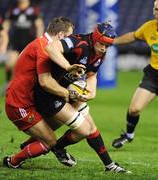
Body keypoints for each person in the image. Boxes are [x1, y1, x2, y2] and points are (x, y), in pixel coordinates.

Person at [19, 22, 131, 173]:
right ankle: (52, 148)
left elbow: (92, 75)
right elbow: (51, 48)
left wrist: (91, 92)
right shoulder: (80, 42)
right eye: (102, 43)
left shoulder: (100, 53)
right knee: (83, 130)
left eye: (107, 46)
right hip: (49, 93)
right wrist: (67, 67)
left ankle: (109, 165)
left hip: (67, 92)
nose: (104, 48)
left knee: (90, 127)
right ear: (95, 38)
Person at [3, 17, 85, 169]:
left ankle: (31, 144)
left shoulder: (42, 43)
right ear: (61, 35)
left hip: (31, 100)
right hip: (19, 103)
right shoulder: (44, 49)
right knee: (50, 141)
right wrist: (66, 93)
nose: (69, 44)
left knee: (58, 119)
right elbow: (45, 82)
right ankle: (12, 161)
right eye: (68, 37)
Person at [112, 0, 158, 149]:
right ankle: (129, 135)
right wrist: (112, 41)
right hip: (153, 75)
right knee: (134, 109)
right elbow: (133, 36)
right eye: (155, 9)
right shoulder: (149, 27)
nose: (155, 12)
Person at [3, 0, 44, 91]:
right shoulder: (13, 9)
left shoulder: (34, 9)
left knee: (29, 67)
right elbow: (6, 25)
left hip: (29, 43)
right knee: (9, 64)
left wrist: (39, 41)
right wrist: (3, 39)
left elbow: (39, 25)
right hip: (15, 42)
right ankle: (7, 82)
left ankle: (29, 86)